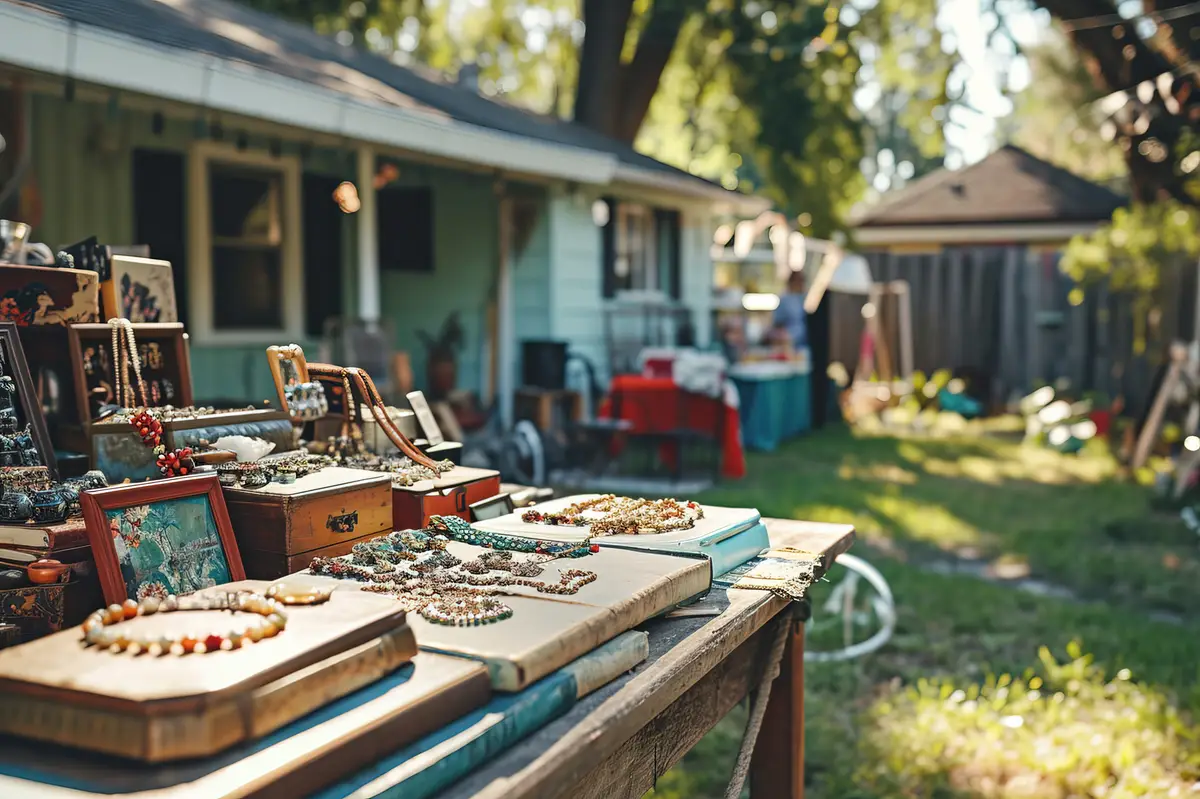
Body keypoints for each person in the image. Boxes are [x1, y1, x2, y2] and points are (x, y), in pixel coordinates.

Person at [772, 269, 808, 351]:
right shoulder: (785, 300)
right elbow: (778, 323)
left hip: (806, 342)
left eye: (801, 281)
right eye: (797, 281)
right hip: (789, 342)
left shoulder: (806, 298)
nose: (799, 284)